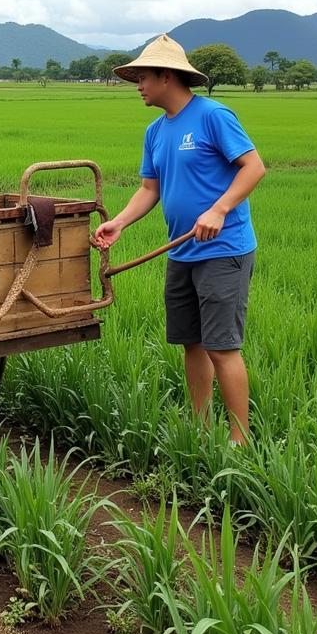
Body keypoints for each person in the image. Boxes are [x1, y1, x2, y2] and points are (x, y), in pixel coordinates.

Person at [92, 35, 265, 445]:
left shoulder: (213, 116)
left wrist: (219, 210)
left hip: (224, 250)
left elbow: (254, 167)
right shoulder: (155, 131)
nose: (138, 85)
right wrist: (119, 222)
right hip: (182, 250)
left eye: (143, 77)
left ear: (166, 76)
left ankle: (240, 441)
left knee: (222, 347)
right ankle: (201, 429)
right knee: (191, 342)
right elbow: (150, 190)